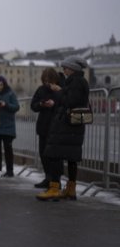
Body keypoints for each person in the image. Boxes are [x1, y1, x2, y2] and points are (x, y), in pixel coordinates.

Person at [37, 57, 90, 201]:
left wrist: (59, 92)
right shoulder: (78, 81)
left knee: (54, 154)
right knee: (71, 158)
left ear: (72, 68)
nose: (64, 70)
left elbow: (71, 101)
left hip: (68, 126)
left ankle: (54, 188)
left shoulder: (76, 82)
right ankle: (70, 189)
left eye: (65, 68)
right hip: (73, 126)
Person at [30, 68, 62, 188]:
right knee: (43, 154)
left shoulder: (60, 90)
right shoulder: (41, 89)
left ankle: (56, 181)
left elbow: (65, 103)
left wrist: (55, 102)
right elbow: (33, 105)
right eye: (45, 80)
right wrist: (41, 104)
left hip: (56, 127)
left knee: (54, 156)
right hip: (43, 126)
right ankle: (48, 178)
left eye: (50, 80)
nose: (48, 83)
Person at [0, 76, 19, 177]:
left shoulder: (10, 93)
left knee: (8, 149)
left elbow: (16, 107)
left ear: (4, 85)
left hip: (8, 127)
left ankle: (10, 171)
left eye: (1, 85)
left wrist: (6, 105)